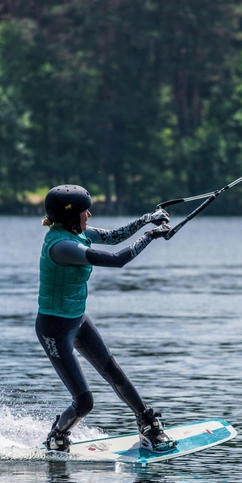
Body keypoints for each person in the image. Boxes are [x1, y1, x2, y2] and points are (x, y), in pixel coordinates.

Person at [36, 184, 176, 453]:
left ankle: (149, 424)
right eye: (83, 211)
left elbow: (113, 237)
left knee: (114, 372)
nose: (88, 214)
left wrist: (148, 218)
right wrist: (152, 235)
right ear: (69, 217)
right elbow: (117, 259)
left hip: (77, 320)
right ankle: (57, 435)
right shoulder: (63, 246)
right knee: (84, 402)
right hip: (54, 329)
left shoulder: (75, 232)